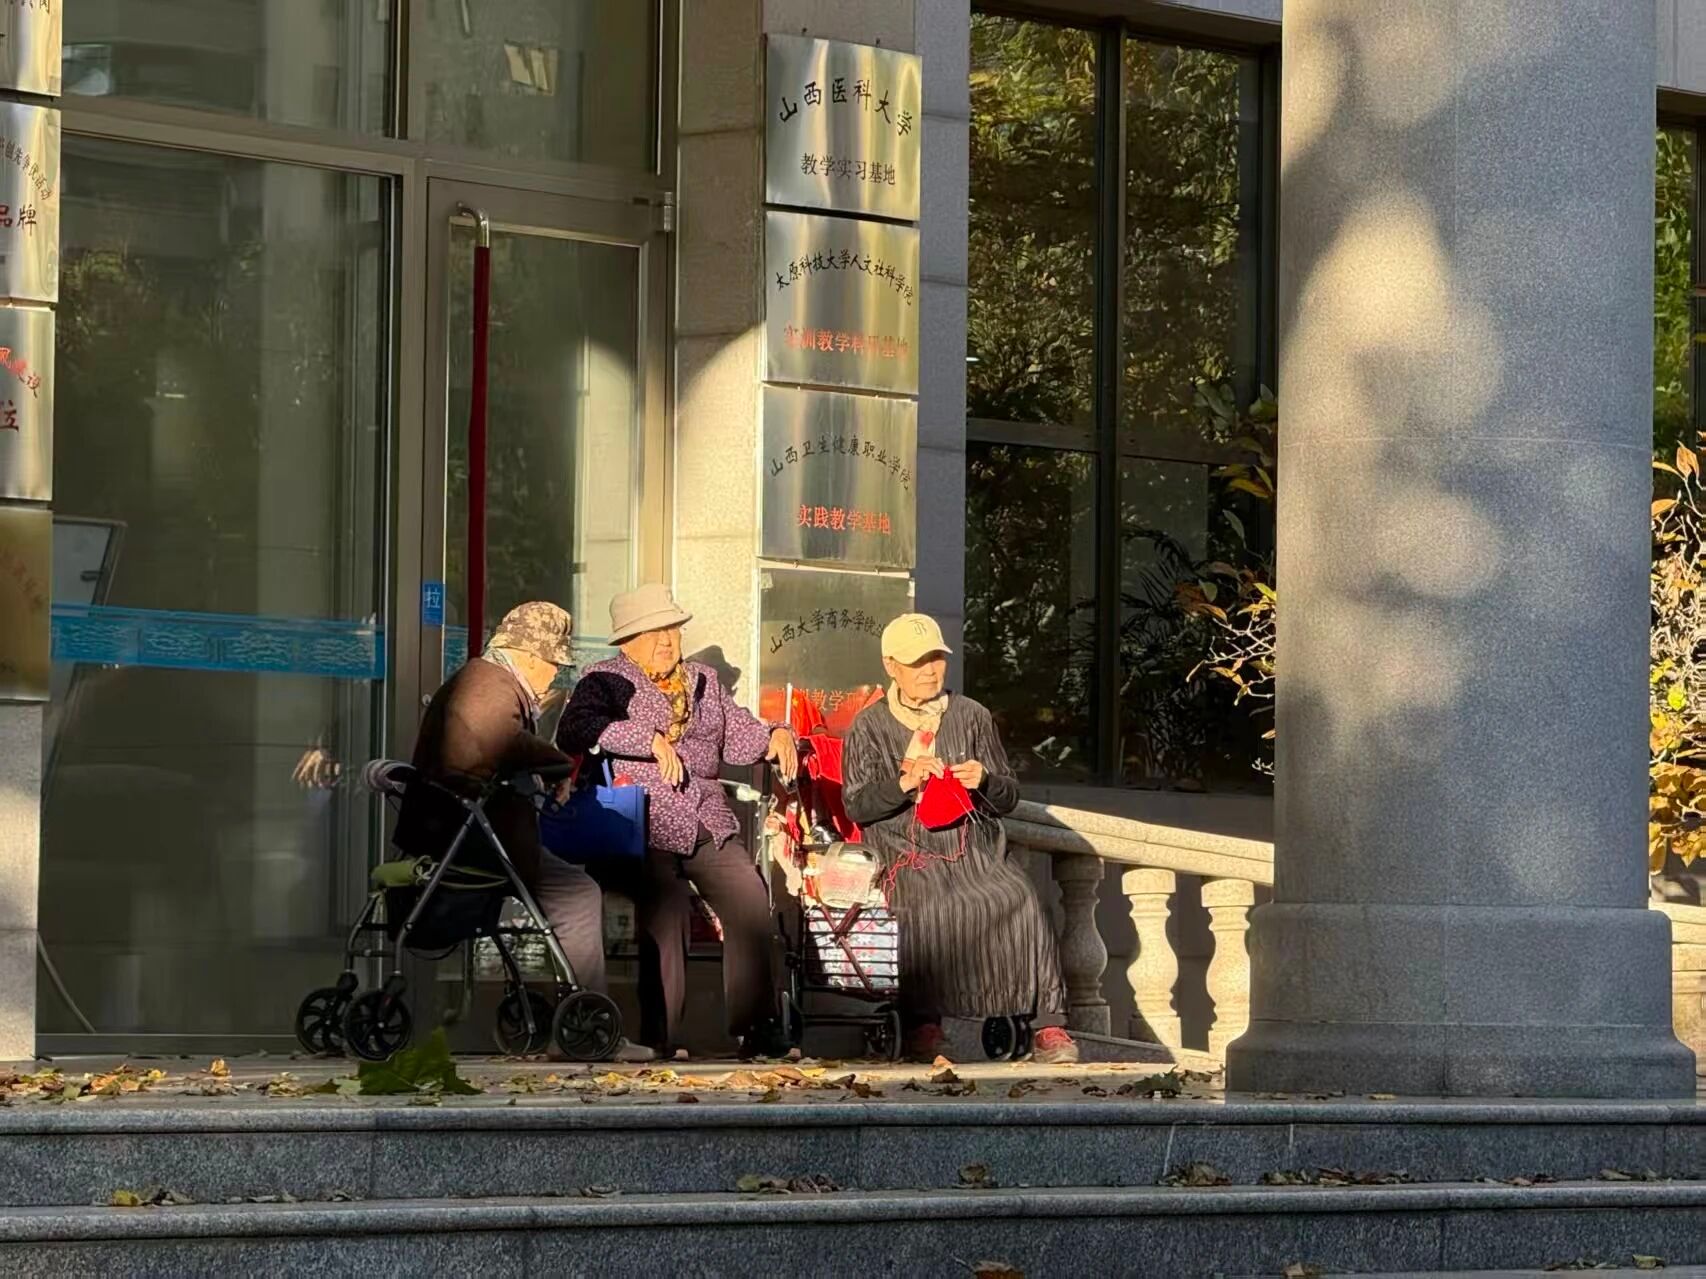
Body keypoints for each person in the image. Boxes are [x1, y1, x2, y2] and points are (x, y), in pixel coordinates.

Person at [394, 600, 652, 1063]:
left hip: (461, 836)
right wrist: (557, 765)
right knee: (578, 894)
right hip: (476, 844)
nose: (555, 675)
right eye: (554, 664)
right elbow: (502, 741)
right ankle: (588, 1024)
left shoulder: (482, 679)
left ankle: (578, 1016)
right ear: (530, 656)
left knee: (572, 888)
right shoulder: (490, 685)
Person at [557, 584, 799, 1058]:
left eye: (671, 629)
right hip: (638, 822)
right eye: (653, 632)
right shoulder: (604, 678)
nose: (666, 640)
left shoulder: (703, 681)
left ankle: (757, 1027)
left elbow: (740, 736)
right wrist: (647, 739)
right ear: (628, 641)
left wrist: (777, 736)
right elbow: (575, 728)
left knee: (750, 900)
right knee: (666, 911)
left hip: (706, 819)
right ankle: (662, 1036)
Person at [841, 613, 1078, 1064]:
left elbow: (1008, 795)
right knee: (926, 905)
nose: (930, 670)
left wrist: (984, 779)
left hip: (973, 850)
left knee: (1022, 898)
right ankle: (924, 1025)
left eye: (937, 659)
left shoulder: (972, 716)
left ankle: (1049, 1025)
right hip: (907, 853)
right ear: (891, 666)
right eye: (918, 662)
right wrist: (904, 782)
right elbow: (858, 803)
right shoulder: (869, 725)